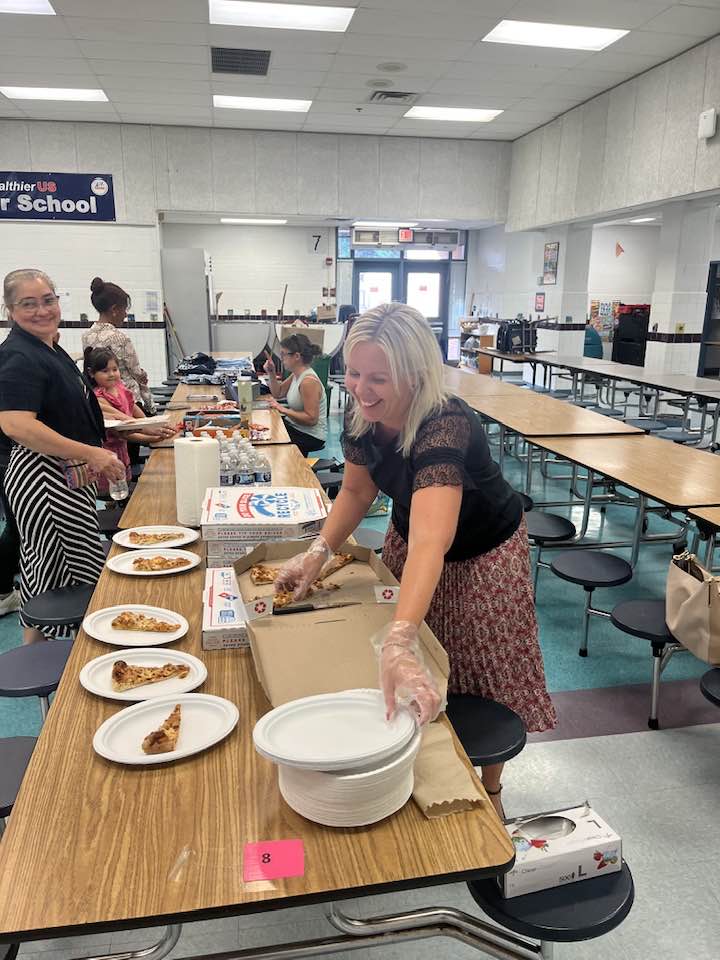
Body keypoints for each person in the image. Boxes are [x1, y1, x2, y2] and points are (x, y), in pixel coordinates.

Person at [274, 303, 556, 818]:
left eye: (379, 378)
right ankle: (419, 761)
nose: (361, 388)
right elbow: (357, 492)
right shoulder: (364, 417)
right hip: (414, 532)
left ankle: (490, 788)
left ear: (417, 373)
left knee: (476, 663)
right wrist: (317, 552)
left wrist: (401, 635)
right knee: (418, 656)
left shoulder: (444, 422)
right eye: (355, 373)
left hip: (483, 551)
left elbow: (434, 540)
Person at [0, 269, 126, 644]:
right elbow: (16, 425)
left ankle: (52, 654)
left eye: (48, 300)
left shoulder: (48, 348)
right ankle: (50, 665)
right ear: (9, 309)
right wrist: (91, 452)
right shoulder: (19, 356)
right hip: (43, 478)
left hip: (65, 474)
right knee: (52, 572)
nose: (41, 310)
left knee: (61, 568)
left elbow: (70, 410)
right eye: (28, 303)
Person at [83, 347, 176, 495]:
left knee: (124, 483)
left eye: (115, 369)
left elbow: (134, 412)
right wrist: (152, 438)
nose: (112, 374)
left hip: (123, 451)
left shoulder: (120, 388)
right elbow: (124, 433)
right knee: (112, 488)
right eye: (105, 371)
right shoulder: (99, 398)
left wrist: (153, 424)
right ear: (91, 373)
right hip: (108, 454)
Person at [82, 277, 156, 414]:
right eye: (124, 309)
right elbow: (137, 373)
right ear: (114, 309)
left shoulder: (86, 336)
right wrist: (150, 405)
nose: (125, 314)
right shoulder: (120, 338)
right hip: (127, 400)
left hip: (102, 399)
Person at [262, 334, 327, 457]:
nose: (281, 359)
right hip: (297, 427)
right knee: (266, 429)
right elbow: (278, 393)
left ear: (297, 356)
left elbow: (311, 419)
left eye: (284, 355)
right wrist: (271, 372)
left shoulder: (308, 381)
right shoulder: (296, 375)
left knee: (270, 437)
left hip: (310, 435)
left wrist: (282, 409)